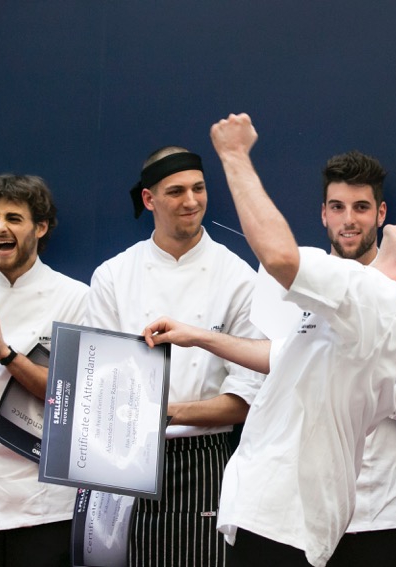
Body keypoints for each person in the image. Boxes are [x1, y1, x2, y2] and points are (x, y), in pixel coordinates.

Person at [142, 112, 396, 567]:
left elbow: (279, 257)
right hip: (278, 513)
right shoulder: (376, 307)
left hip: (285, 517)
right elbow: (285, 355)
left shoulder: (376, 298)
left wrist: (234, 154)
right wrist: (198, 336)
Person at [86, 145, 264, 566]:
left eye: (198, 188)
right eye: (176, 191)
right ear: (149, 199)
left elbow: (247, 399)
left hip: (204, 458)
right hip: (121, 458)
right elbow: (96, 383)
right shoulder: (113, 276)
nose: (191, 201)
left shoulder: (239, 278)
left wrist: (166, 413)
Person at [319, 151, 396, 567]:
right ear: (323, 213)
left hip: (385, 509)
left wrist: (341, 375)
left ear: (381, 213)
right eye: (338, 207)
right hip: (304, 508)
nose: (348, 220)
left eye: (361, 207)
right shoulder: (299, 284)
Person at [0, 174, 89, 566]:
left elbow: (73, 397)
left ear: (41, 227)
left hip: (44, 505)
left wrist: (5, 354)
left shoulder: (75, 298)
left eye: (13, 218)